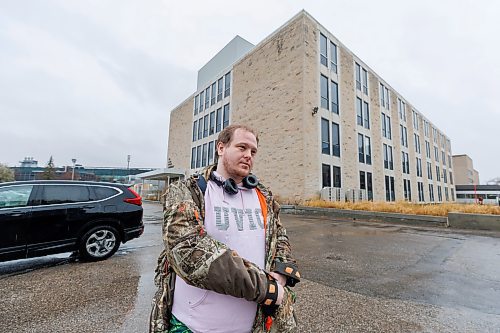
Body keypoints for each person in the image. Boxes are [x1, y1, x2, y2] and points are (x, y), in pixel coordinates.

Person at [150, 124, 300, 333]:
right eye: (242, 147)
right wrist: (267, 289)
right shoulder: (187, 191)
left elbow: (279, 237)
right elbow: (189, 252)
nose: (249, 155)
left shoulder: (263, 195)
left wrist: (280, 273)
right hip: (194, 325)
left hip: (252, 326)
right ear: (221, 148)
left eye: (253, 151)